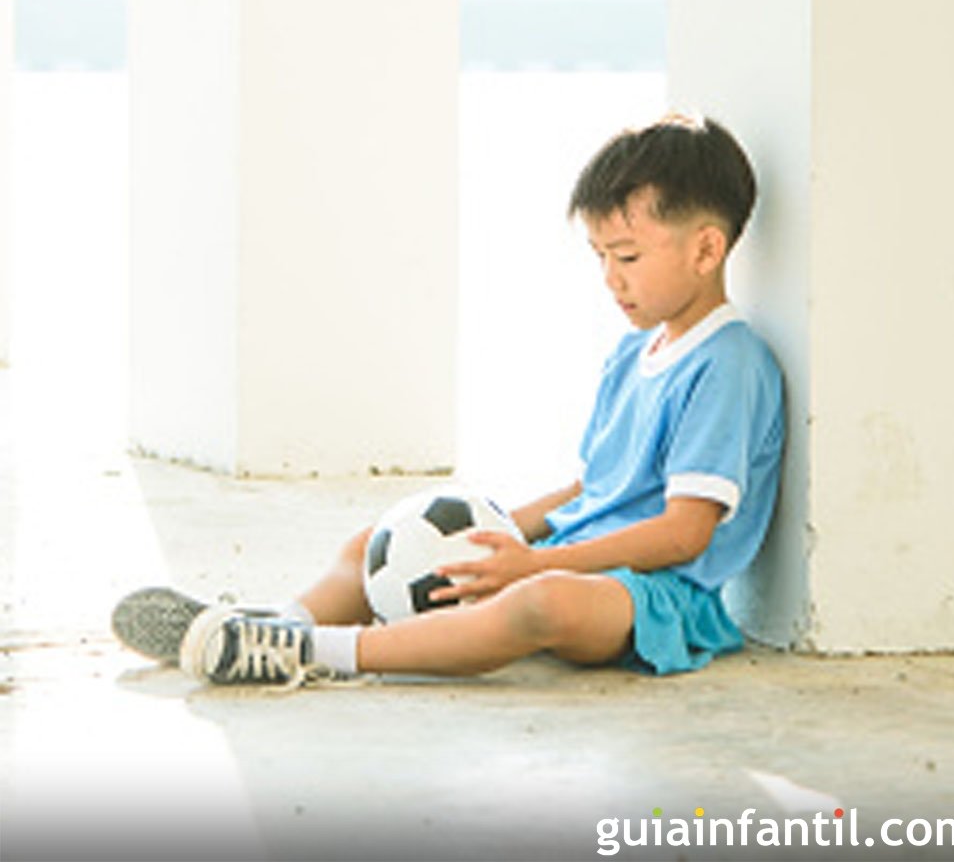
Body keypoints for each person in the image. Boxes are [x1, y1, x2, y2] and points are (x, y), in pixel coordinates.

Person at [112, 112, 785, 689]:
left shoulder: (729, 363)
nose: (610, 279)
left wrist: (534, 564)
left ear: (705, 249)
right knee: (376, 543)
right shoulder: (633, 354)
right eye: (599, 256)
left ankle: (313, 654)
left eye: (628, 257)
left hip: (658, 595)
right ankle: (273, 623)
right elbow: (593, 487)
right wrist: (496, 534)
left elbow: (683, 533)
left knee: (539, 605)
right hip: (578, 551)